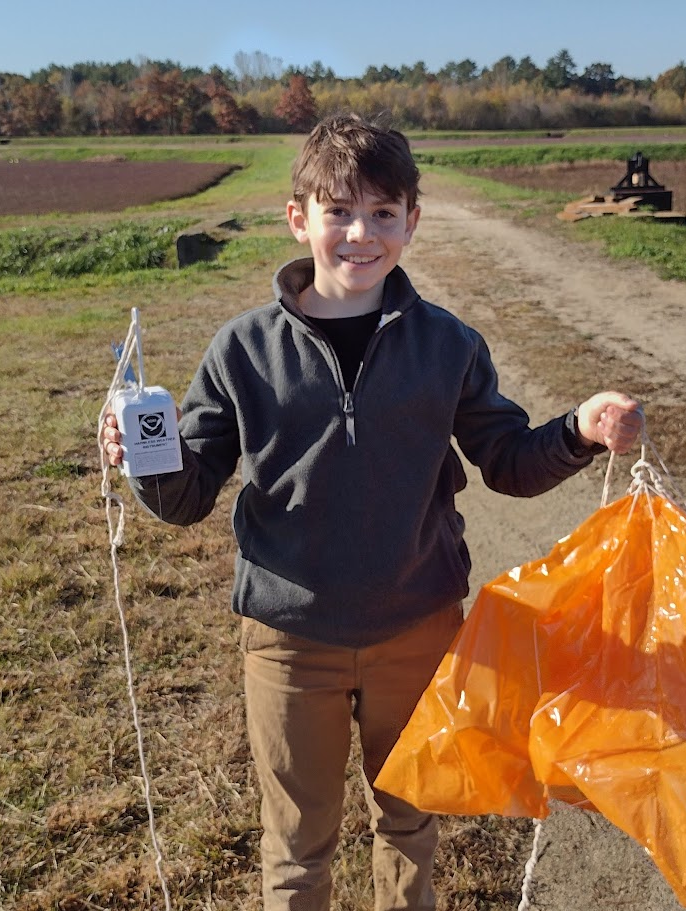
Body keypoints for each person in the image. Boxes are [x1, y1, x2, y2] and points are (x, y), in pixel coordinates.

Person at [100, 112, 643, 911]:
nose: (361, 234)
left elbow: (506, 462)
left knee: (410, 821)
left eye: (383, 213)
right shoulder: (242, 350)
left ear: (410, 222)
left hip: (417, 631)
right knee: (296, 846)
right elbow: (186, 497)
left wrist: (578, 429)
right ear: (299, 219)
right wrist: (145, 457)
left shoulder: (447, 345)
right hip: (288, 643)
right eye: (339, 212)